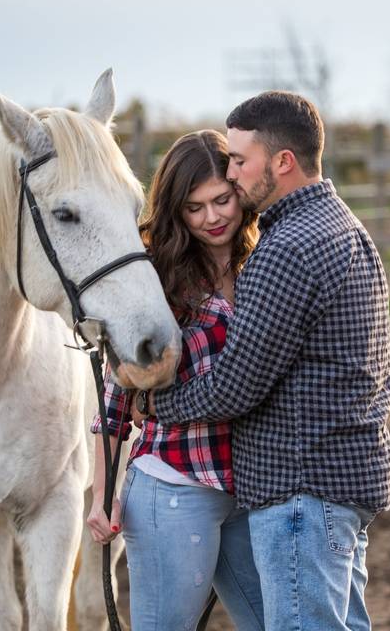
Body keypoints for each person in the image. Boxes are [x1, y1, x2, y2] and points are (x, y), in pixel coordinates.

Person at [135, 91, 390, 630]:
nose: (231, 174)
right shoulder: (344, 228)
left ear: (282, 162)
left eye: (238, 159)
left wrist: (158, 402)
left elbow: (235, 386)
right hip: (338, 485)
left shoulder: (287, 248)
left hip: (303, 490)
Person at [86, 130, 264, 630]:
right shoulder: (157, 277)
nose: (213, 217)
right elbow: (116, 398)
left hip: (252, 488)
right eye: (194, 206)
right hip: (176, 485)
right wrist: (104, 493)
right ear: (176, 210)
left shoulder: (266, 262)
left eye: (222, 199)